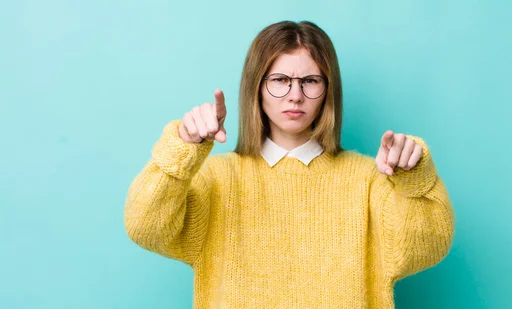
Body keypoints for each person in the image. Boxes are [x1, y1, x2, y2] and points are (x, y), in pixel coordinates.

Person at [124, 20, 455, 308]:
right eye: (280, 80)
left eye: (310, 81)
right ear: (257, 88)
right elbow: (145, 227)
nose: (295, 95)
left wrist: (413, 176)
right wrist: (183, 147)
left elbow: (427, 247)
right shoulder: (216, 179)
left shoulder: (369, 181)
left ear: (328, 91)